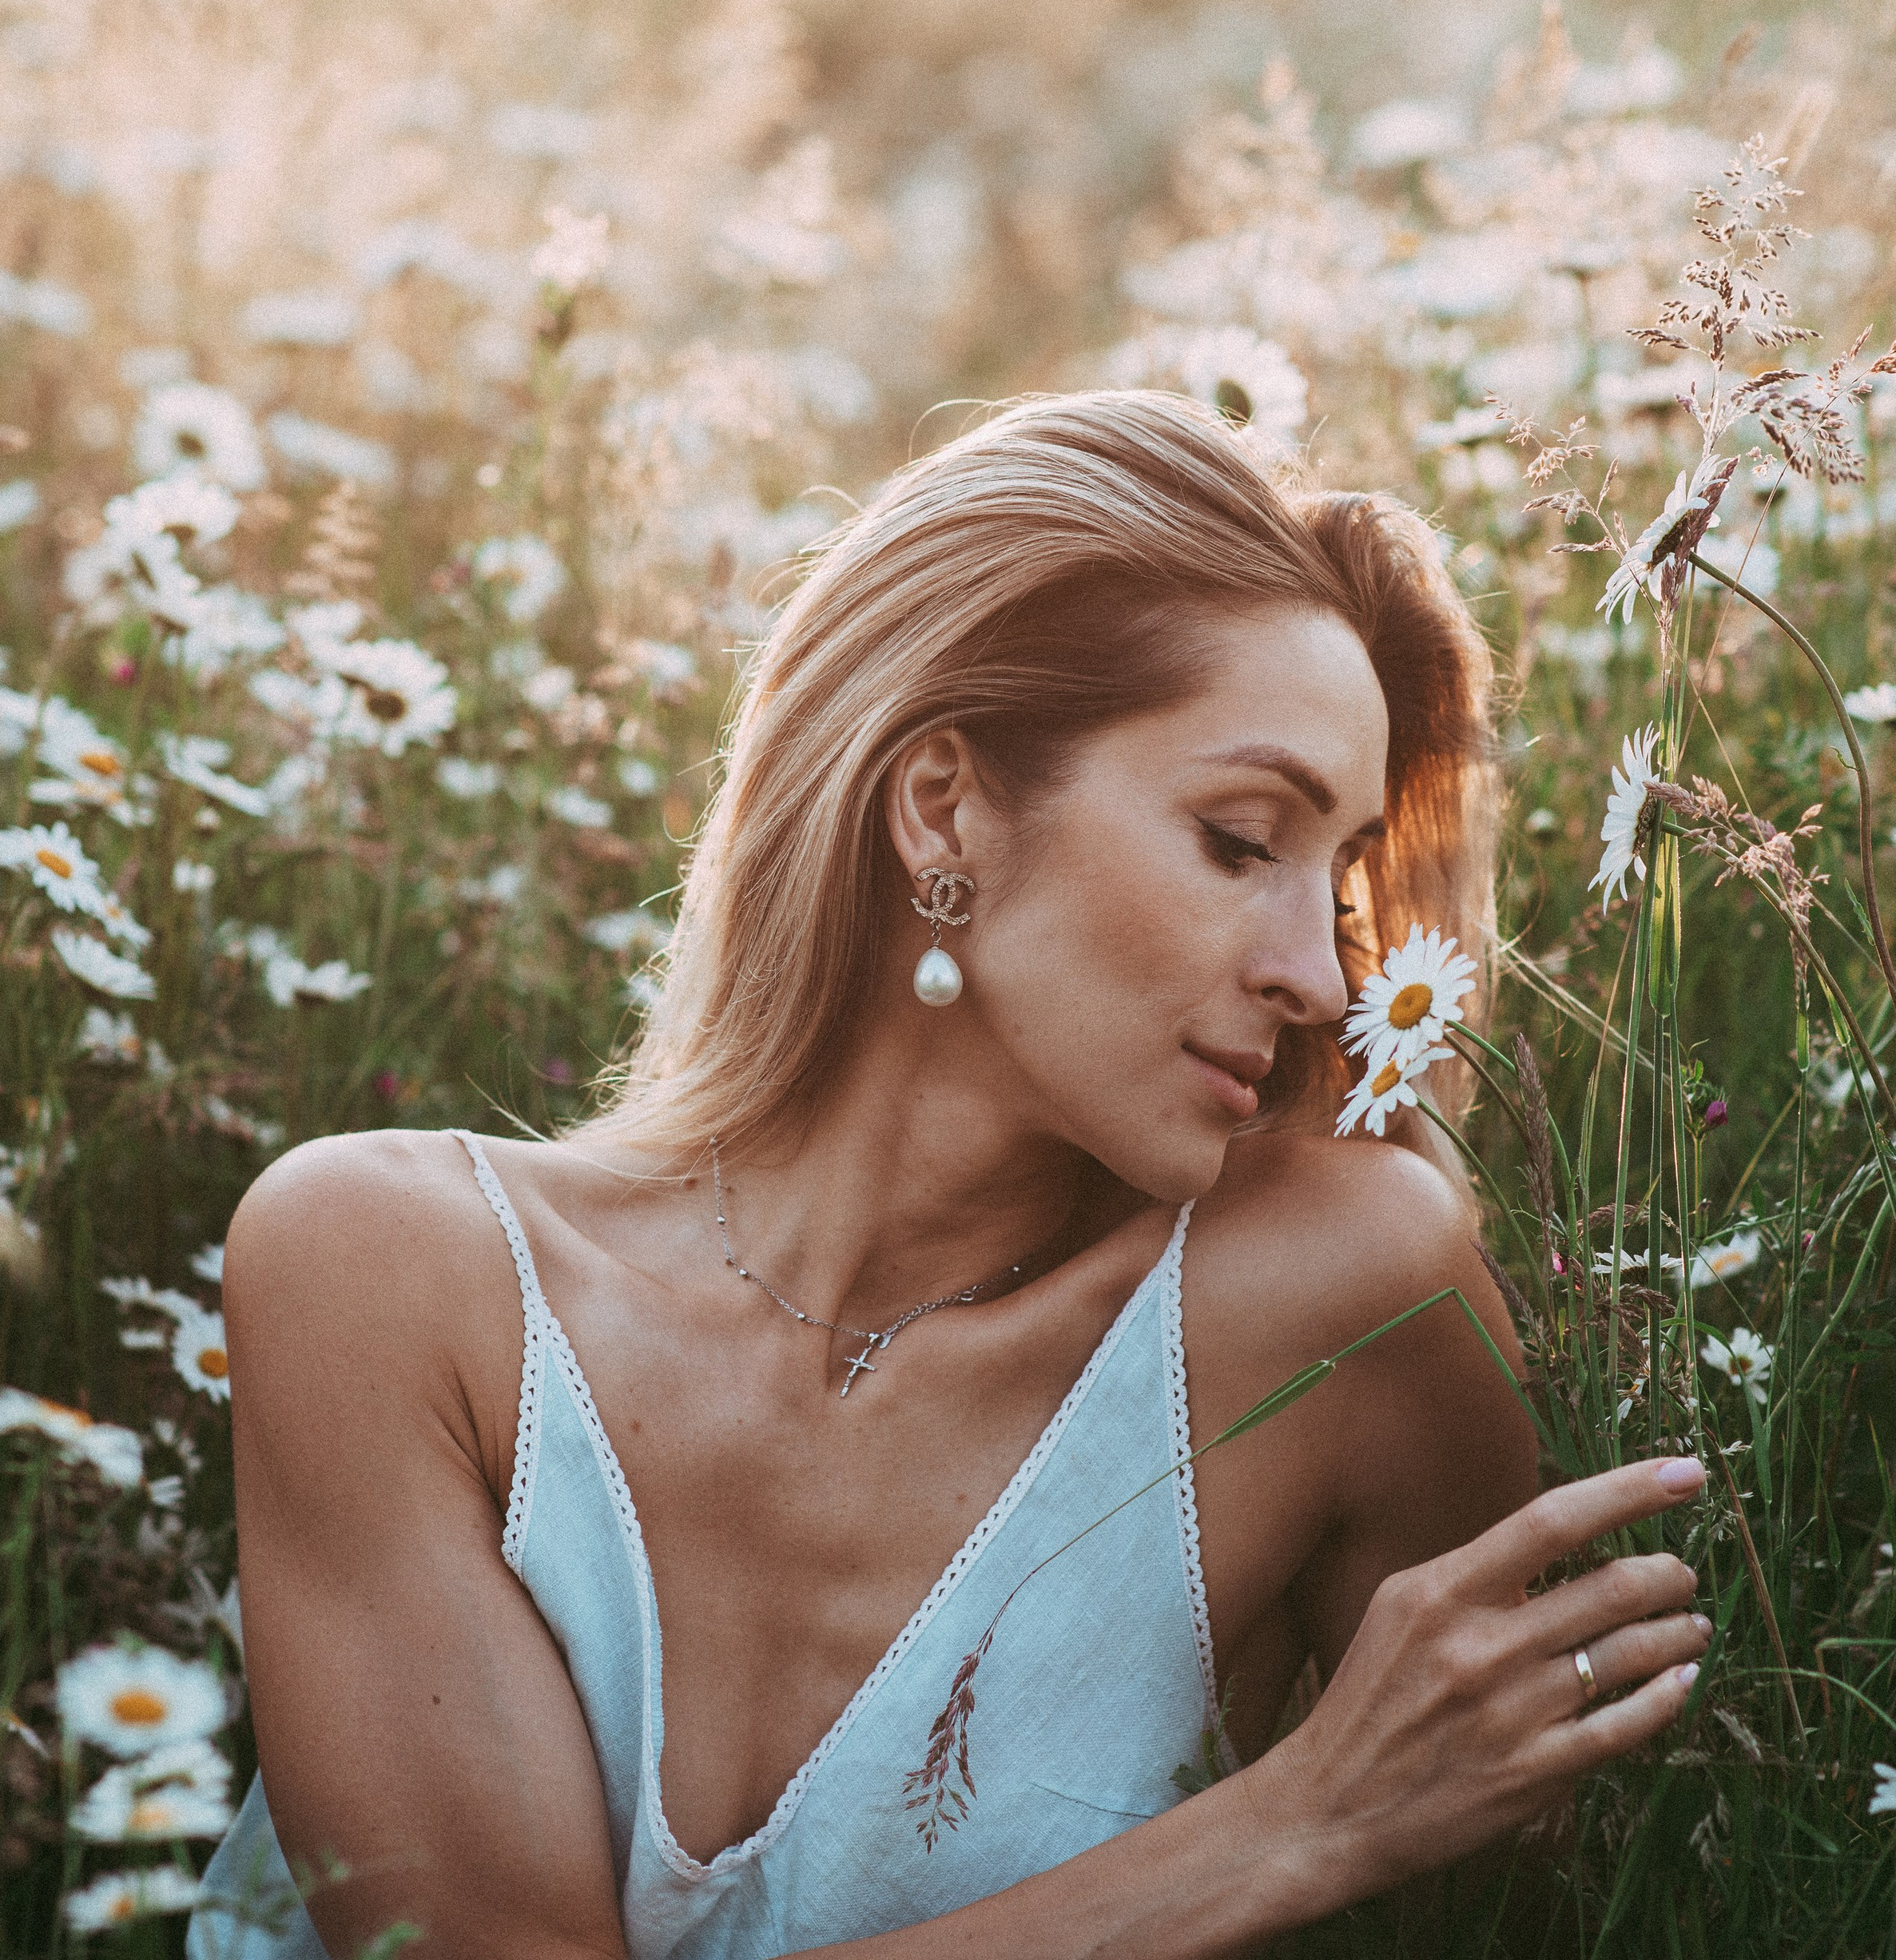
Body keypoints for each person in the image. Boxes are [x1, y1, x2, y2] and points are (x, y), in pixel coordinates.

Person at [191, 391, 1710, 1960]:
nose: (1319, 978)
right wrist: (1289, 1826)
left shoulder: (1340, 1294)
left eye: (1335, 877)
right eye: (1239, 839)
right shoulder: (394, 1279)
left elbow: (1533, 1898)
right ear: (942, 806)